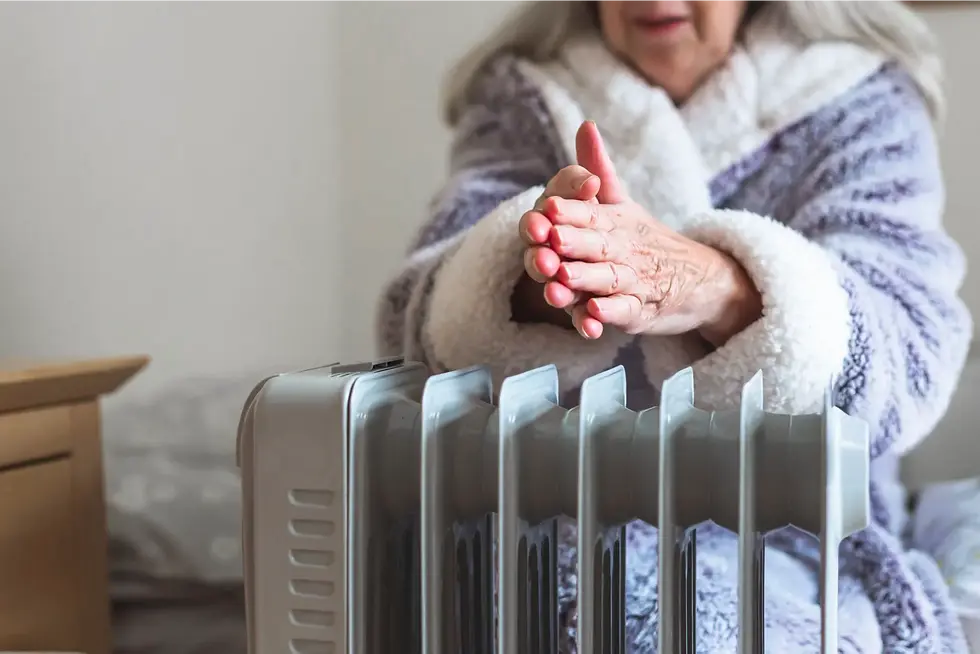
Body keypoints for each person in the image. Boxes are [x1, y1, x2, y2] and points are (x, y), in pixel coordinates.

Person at [377, 0, 974, 650]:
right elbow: (414, 320)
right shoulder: (523, 98)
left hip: (792, 536)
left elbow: (910, 351)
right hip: (543, 512)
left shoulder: (857, 97)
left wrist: (711, 288)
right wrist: (549, 270)